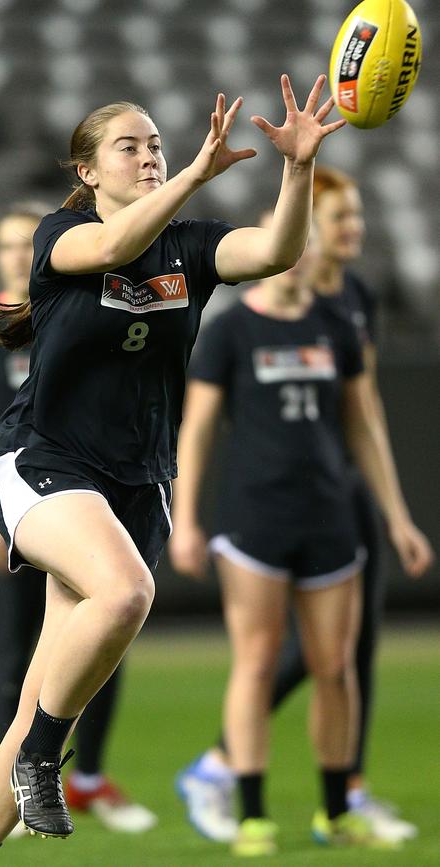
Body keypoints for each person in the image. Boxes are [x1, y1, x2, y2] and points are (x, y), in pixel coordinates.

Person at [0, 72, 347, 867]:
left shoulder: (190, 246)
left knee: (38, 698)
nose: (149, 155)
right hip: (46, 459)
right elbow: (115, 246)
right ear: (87, 171)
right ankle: (42, 760)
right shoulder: (60, 233)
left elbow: (276, 250)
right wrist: (193, 171)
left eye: (156, 144)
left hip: (137, 483)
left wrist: (298, 169)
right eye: (131, 146)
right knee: (125, 593)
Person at [174, 166, 433, 846]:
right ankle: (252, 810)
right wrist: (187, 516)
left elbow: (365, 425)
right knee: (256, 663)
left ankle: (336, 808)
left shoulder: (334, 323)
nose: (306, 248)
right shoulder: (228, 330)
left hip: (329, 516)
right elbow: (196, 429)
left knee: (335, 666)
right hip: (255, 518)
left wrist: (397, 516)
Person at [0, 201, 157, 833]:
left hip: (94, 487)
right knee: (19, 651)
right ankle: (30, 767)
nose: (15, 253)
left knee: (98, 635)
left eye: (21, 242)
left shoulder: (84, 305)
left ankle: (73, 773)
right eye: (7, 245)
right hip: (29, 490)